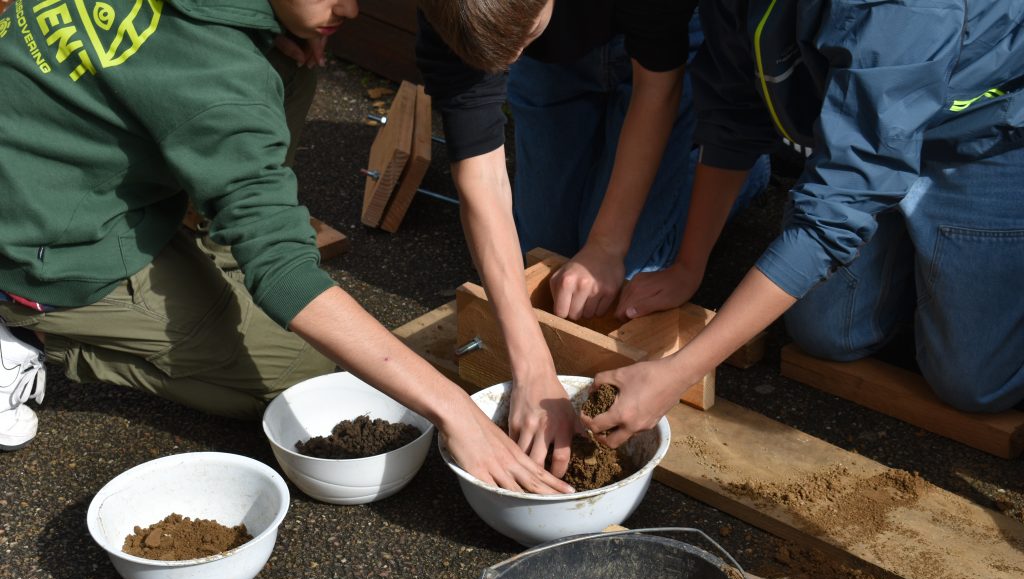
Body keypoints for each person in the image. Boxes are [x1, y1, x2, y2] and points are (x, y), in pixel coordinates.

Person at [0, 0, 570, 494]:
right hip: (46, 250)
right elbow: (285, 276)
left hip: (45, 158)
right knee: (308, 375)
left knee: (292, 55)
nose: (351, 9)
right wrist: (455, 410)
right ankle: (32, 332)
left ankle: (220, 230)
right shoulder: (223, 84)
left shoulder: (236, 57)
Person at [583, 0, 1024, 446]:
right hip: (868, 133)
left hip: (982, 137)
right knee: (826, 335)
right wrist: (688, 266)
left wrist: (679, 372)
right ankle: (911, 238)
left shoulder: (907, 9)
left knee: (974, 385)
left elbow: (830, 217)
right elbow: (734, 112)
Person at [415, 0, 766, 478]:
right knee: (548, 260)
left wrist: (607, 245)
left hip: (660, 53)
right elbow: (481, 175)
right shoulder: (451, 16)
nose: (509, 59)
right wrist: (532, 367)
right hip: (553, 67)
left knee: (631, 273)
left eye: (520, 38)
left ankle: (736, 169)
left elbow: (657, 87)